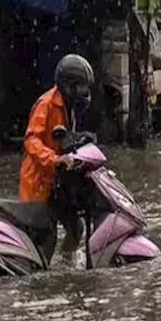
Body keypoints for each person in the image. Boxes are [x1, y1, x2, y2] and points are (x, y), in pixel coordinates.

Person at [18, 53, 95, 263]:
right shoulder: (46, 104)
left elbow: (62, 139)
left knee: (75, 227)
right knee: (47, 237)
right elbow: (31, 140)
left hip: (56, 182)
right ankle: (41, 277)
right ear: (68, 86)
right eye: (81, 87)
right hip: (38, 183)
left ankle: (67, 265)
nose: (85, 92)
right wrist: (54, 159)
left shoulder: (69, 107)